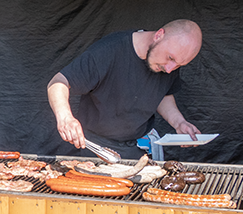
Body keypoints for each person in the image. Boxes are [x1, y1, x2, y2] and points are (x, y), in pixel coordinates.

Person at [47, 19, 202, 160]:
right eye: (170, 58)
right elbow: (58, 82)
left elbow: (162, 94)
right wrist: (66, 118)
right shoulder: (108, 51)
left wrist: (179, 122)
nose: (170, 69)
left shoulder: (170, 64)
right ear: (159, 35)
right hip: (95, 149)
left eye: (179, 65)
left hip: (137, 148)